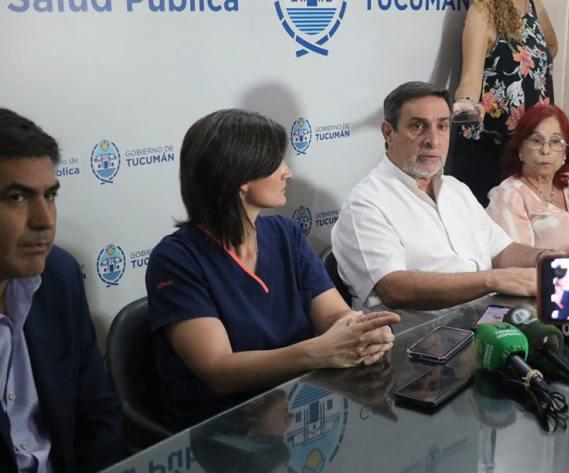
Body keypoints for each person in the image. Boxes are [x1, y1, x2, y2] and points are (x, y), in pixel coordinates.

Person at [146, 109, 400, 428]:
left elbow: (333, 314)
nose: (288, 172)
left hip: (290, 403)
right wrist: (318, 352)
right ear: (240, 177)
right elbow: (218, 370)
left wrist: (361, 331)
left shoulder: (284, 234)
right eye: (276, 162)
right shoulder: (176, 259)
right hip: (221, 427)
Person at [331, 81, 544, 311]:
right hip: (417, 332)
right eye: (418, 126)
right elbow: (392, 287)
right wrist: (491, 280)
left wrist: (550, 259)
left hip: (487, 321)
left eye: (442, 126)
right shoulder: (366, 204)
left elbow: (502, 251)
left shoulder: (456, 189)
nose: (433, 140)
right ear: (389, 133)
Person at [0, 109, 127, 472]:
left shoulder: (59, 275)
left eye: (50, 195)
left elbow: (98, 412)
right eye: (17, 197)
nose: (45, 220)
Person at [449, 0, 558, 205]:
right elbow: (469, 80)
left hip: (533, 151)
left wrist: (531, 69)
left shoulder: (534, 5)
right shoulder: (483, 10)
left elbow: (551, 46)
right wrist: (466, 105)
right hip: (492, 152)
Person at [486, 104, 569, 251]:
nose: (545, 150)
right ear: (520, 149)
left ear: (565, 152)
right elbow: (519, 260)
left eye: (555, 141)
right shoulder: (508, 195)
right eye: (536, 141)